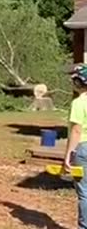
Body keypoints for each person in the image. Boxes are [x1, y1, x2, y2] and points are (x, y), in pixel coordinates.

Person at [64, 63, 87, 228]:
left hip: (83, 148)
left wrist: (68, 156)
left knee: (84, 192)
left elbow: (77, 131)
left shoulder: (79, 103)